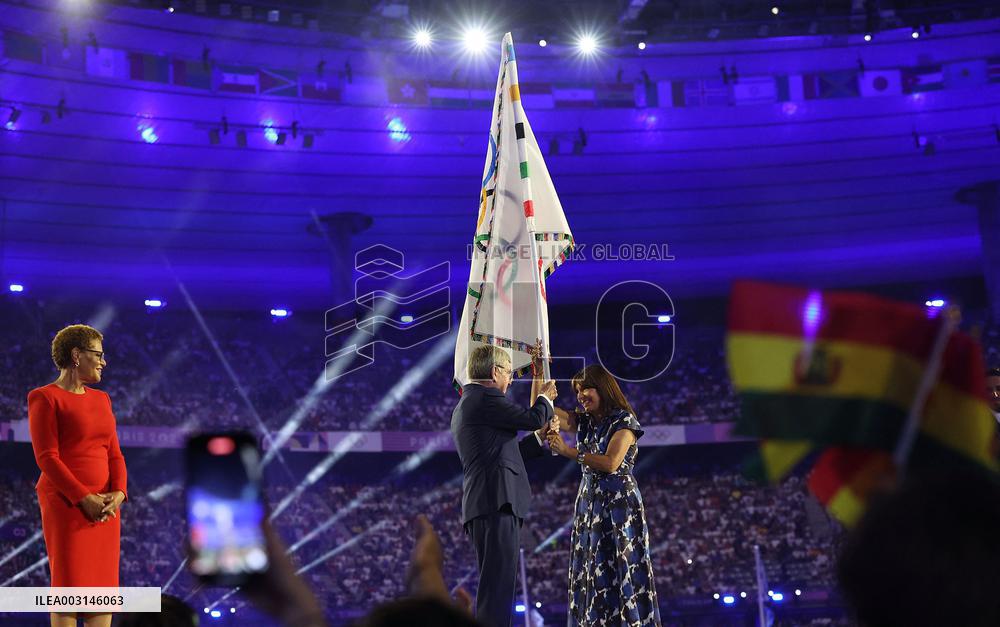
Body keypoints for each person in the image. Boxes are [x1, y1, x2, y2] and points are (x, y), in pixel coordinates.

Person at [451, 344, 558, 627]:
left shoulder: (475, 403)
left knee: (498, 589)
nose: (511, 379)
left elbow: (508, 453)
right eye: (509, 372)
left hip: (489, 502)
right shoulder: (484, 398)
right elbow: (533, 417)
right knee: (497, 590)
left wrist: (538, 438)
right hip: (495, 502)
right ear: (495, 371)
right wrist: (545, 399)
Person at [27, 324, 127, 627]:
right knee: (69, 585)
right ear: (76, 355)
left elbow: (115, 454)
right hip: (66, 504)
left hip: (107, 508)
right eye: (97, 354)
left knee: (101, 588)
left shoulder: (102, 399)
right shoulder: (44, 398)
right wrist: (84, 498)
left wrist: (119, 493)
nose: (103, 361)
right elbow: (47, 458)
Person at [546, 364, 661, 626]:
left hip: (619, 505)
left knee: (620, 568)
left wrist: (569, 452)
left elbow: (611, 463)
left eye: (586, 388)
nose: (580, 395)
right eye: (577, 391)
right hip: (590, 504)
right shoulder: (585, 421)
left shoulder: (625, 422)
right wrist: (539, 376)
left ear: (603, 389)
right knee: (592, 568)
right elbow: (543, 413)